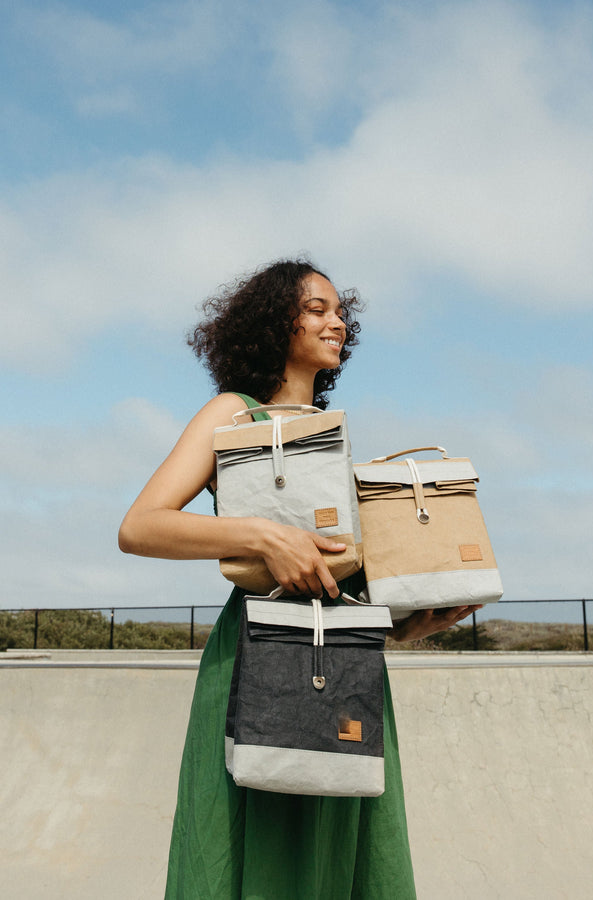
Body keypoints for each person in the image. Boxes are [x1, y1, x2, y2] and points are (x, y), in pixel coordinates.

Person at [118, 259, 480, 899]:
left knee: (344, 852)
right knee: (242, 842)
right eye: (317, 309)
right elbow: (141, 526)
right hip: (257, 656)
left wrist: (401, 624)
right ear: (272, 323)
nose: (336, 321)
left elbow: (335, 571)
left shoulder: (333, 435)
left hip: (344, 664)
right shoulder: (234, 414)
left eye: (340, 311)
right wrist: (261, 535)